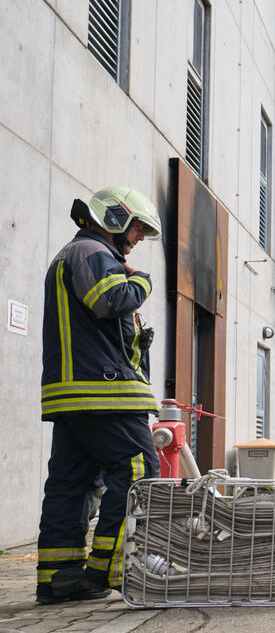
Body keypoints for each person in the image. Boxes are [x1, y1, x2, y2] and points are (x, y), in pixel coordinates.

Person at [37, 187, 162, 604]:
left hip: (75, 396)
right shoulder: (91, 251)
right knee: (139, 473)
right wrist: (141, 280)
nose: (138, 239)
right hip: (103, 392)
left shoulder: (73, 255)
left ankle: (58, 579)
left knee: (72, 483)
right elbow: (110, 301)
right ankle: (110, 570)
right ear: (116, 219)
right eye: (138, 229)